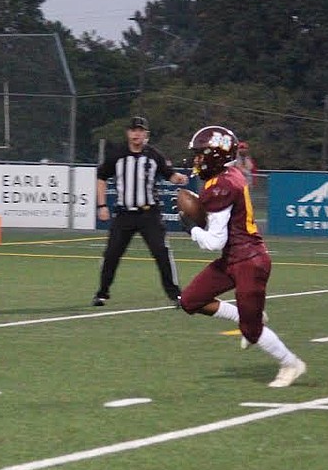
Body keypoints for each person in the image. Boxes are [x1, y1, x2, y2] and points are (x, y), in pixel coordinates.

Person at [176, 125, 307, 388]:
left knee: (252, 331)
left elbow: (214, 242)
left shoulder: (221, 186)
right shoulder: (228, 175)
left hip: (249, 262)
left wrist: (191, 228)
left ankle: (291, 363)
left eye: (201, 154)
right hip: (234, 257)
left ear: (215, 155)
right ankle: (242, 316)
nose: (197, 160)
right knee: (190, 301)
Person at [92, 116, 188, 306]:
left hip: (149, 214)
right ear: (128, 133)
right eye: (133, 130)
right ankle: (102, 292)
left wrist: (179, 178)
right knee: (111, 254)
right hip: (125, 214)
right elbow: (101, 176)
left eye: (140, 130)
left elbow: (169, 174)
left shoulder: (154, 155)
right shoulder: (117, 155)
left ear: (146, 135)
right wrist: (101, 205)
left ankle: (175, 294)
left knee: (161, 252)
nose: (136, 134)